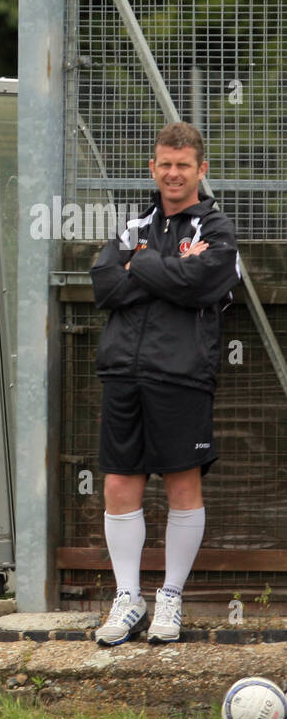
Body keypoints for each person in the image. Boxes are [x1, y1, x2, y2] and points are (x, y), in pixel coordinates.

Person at [90, 122, 239, 645]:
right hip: (123, 373)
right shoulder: (132, 223)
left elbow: (201, 284)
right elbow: (104, 285)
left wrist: (144, 267)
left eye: (183, 165)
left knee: (182, 485)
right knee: (117, 484)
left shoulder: (216, 230)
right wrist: (166, 268)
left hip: (182, 375)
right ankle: (127, 599)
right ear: (153, 169)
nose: (173, 174)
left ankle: (170, 599)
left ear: (201, 170)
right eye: (165, 164)